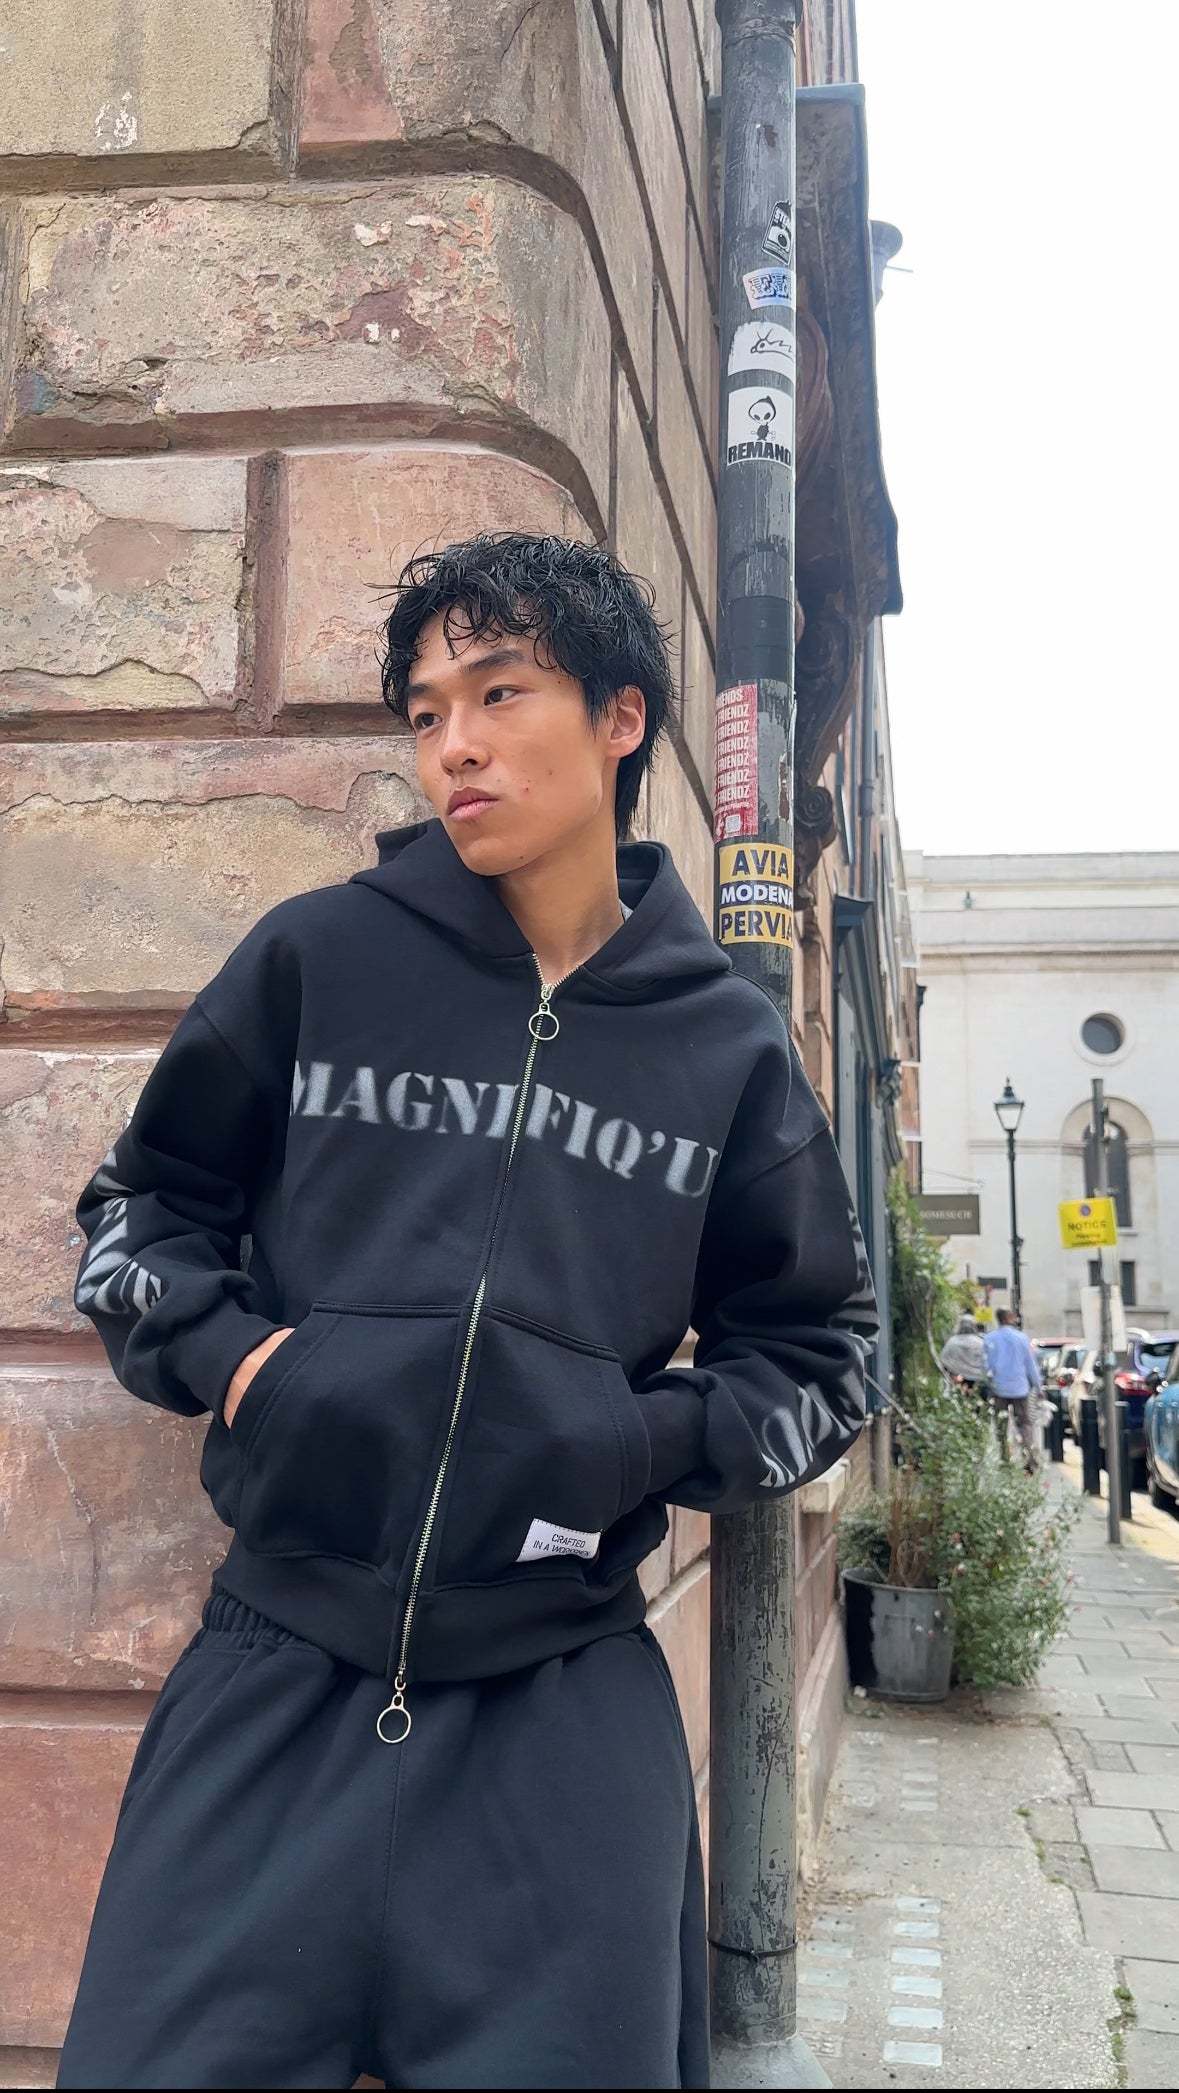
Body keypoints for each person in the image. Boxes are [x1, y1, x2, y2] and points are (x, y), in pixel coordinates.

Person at [58, 532, 877, 2091]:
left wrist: (635, 1441)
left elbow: (825, 1352)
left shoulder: (724, 1047)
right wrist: (243, 1364)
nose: (455, 746)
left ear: (620, 719)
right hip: (278, 1675)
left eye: (499, 694)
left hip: (559, 1711)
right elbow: (133, 1212)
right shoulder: (319, 959)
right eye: (427, 712)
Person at [983, 1307, 1043, 1472]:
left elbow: (986, 1365)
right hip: (1019, 1388)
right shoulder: (1021, 1338)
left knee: (1001, 1425)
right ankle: (1029, 1458)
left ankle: (1004, 1459)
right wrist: (1038, 1386)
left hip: (999, 1388)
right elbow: (1030, 1364)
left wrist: (989, 1383)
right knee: (1024, 1424)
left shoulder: (990, 1338)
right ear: (1009, 1318)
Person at [939, 1311, 989, 1389]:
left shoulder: (952, 1341)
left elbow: (943, 1359)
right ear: (973, 1326)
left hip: (956, 1379)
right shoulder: (980, 1342)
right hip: (978, 1380)